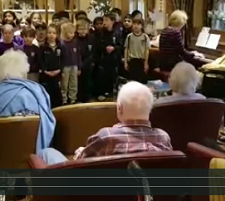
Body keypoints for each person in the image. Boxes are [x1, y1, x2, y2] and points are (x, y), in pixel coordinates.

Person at [37, 82, 172, 165]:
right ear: (149, 110)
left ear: (119, 108)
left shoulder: (106, 136)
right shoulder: (163, 138)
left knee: (46, 153)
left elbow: (78, 165)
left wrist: (80, 153)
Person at [93, 13, 122, 100]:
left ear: (112, 21)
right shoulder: (100, 33)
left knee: (112, 77)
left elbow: (120, 45)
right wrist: (105, 47)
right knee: (101, 77)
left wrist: (114, 48)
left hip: (113, 59)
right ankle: (101, 93)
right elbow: (96, 45)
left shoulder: (116, 33)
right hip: (102, 59)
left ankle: (111, 93)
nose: (104, 22)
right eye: (103, 20)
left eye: (106, 20)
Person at [39, 24, 63, 108]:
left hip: (57, 74)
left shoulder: (61, 47)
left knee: (57, 95)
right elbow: (40, 60)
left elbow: (64, 60)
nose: (51, 34)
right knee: (47, 94)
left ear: (57, 34)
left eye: (54, 33)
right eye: (49, 32)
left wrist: (60, 69)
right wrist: (45, 70)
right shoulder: (42, 47)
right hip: (46, 75)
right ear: (46, 34)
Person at [60, 23, 81, 105]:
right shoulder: (62, 44)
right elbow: (60, 58)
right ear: (65, 33)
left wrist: (79, 67)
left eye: (73, 33)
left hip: (74, 66)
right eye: (70, 33)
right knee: (64, 84)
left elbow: (78, 55)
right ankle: (64, 99)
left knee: (74, 83)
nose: (72, 35)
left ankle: (73, 99)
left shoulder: (75, 42)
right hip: (65, 66)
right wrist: (61, 70)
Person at [124, 19, 150, 84]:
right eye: (134, 24)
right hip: (132, 60)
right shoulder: (129, 36)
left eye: (138, 24)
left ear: (142, 26)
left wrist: (146, 63)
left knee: (142, 82)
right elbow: (126, 49)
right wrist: (125, 62)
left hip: (141, 61)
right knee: (132, 82)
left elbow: (147, 50)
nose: (136, 26)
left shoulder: (145, 37)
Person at [76, 19, 94, 102]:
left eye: (84, 29)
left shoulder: (91, 38)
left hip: (88, 64)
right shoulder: (75, 40)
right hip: (78, 64)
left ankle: (87, 98)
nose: (83, 31)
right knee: (79, 83)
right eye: (80, 29)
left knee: (88, 81)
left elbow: (93, 52)